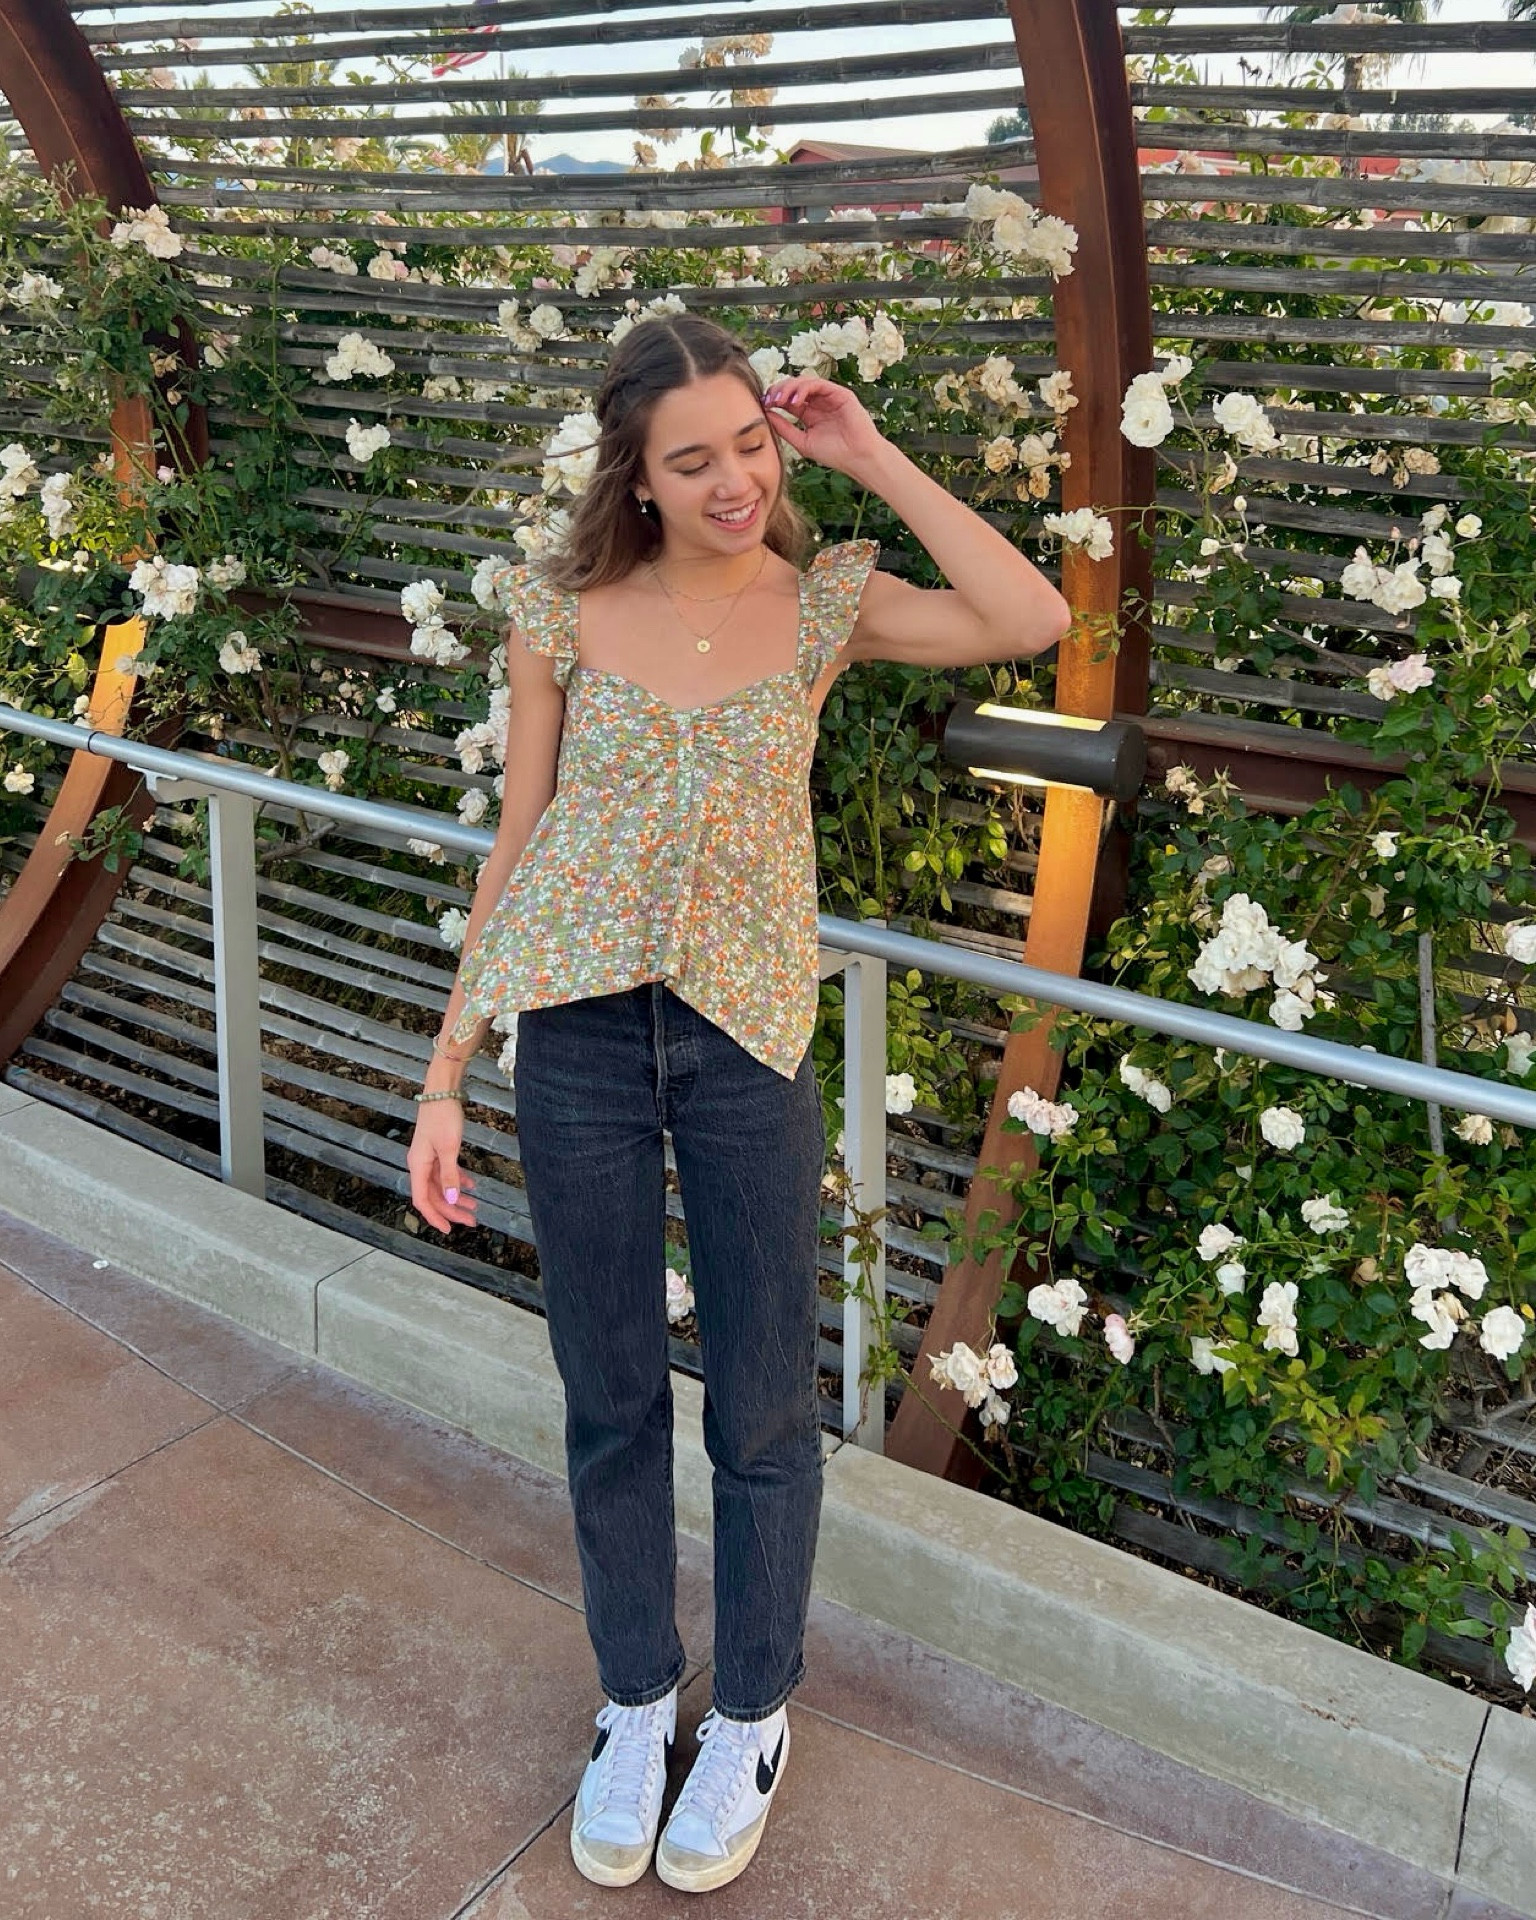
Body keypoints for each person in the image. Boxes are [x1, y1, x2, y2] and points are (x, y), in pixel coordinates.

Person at [406, 313, 1071, 1893]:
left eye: (748, 447)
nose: (727, 481)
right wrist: (446, 1067)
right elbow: (519, 844)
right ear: (633, 476)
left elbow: (1026, 611)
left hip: (745, 1038)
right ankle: (637, 1698)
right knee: (608, 1393)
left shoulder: (827, 599)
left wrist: (866, 450)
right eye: (690, 458)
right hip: (571, 1033)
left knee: (766, 1406)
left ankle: (753, 1713)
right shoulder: (559, 611)